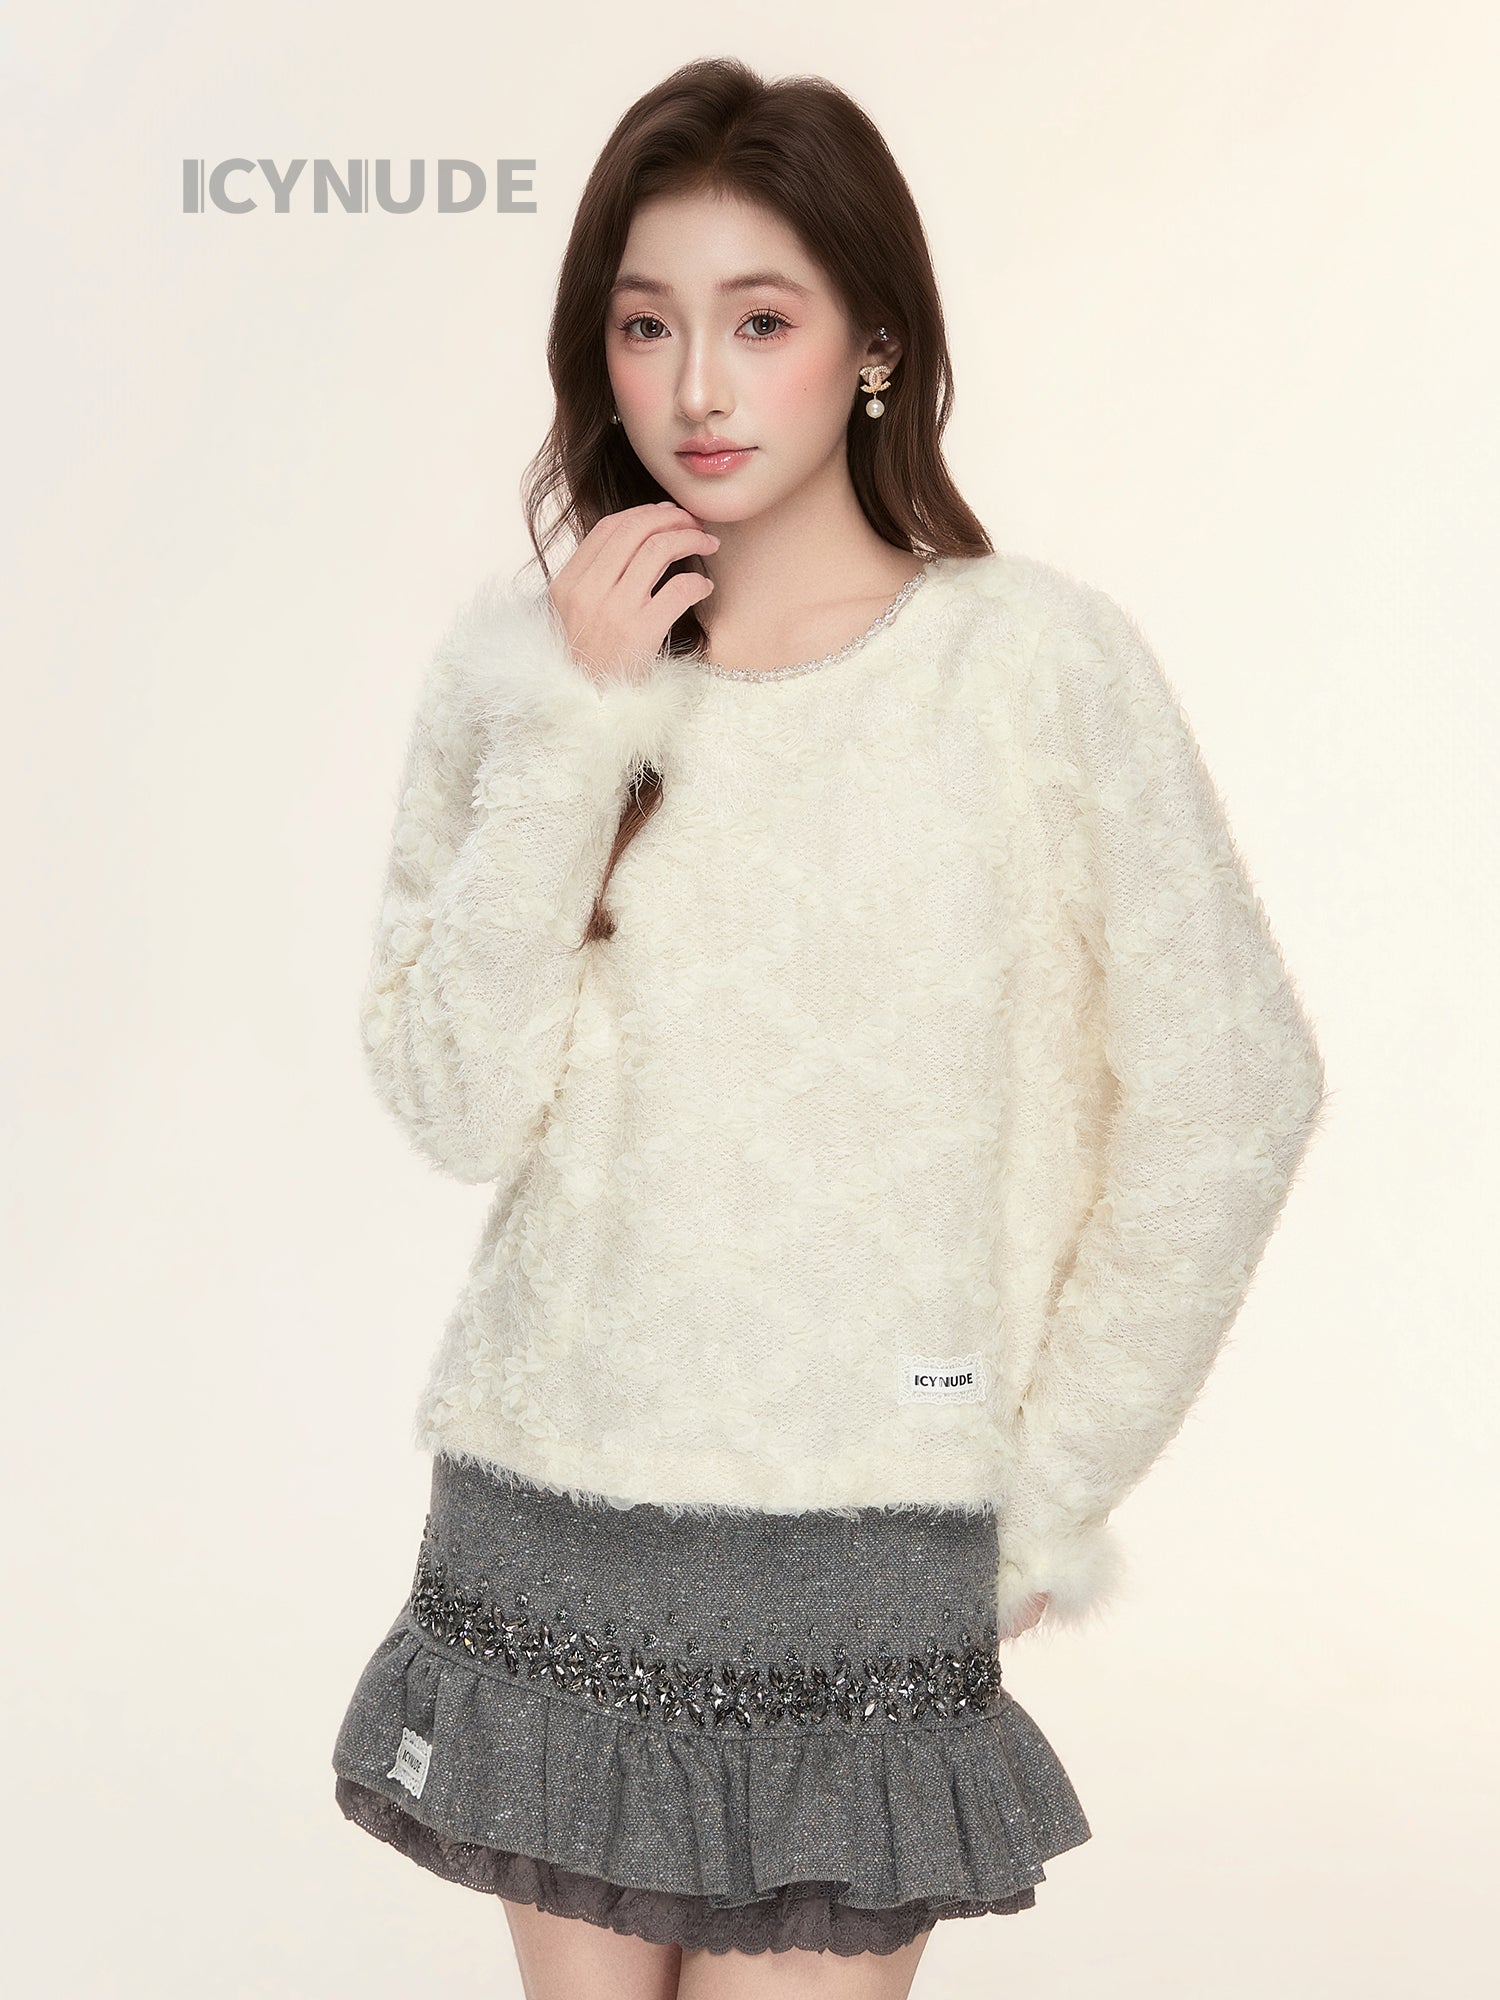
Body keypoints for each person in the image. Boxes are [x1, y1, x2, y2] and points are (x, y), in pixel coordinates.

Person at [330, 54, 1328, 2000]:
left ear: (875, 340)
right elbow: (452, 1105)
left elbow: (1235, 1094)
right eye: (646, 325)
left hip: (871, 1545)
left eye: (760, 321)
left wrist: (1046, 1488)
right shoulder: (527, 675)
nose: (696, 387)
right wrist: (581, 725)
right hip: (554, 1529)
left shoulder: (1030, 669)